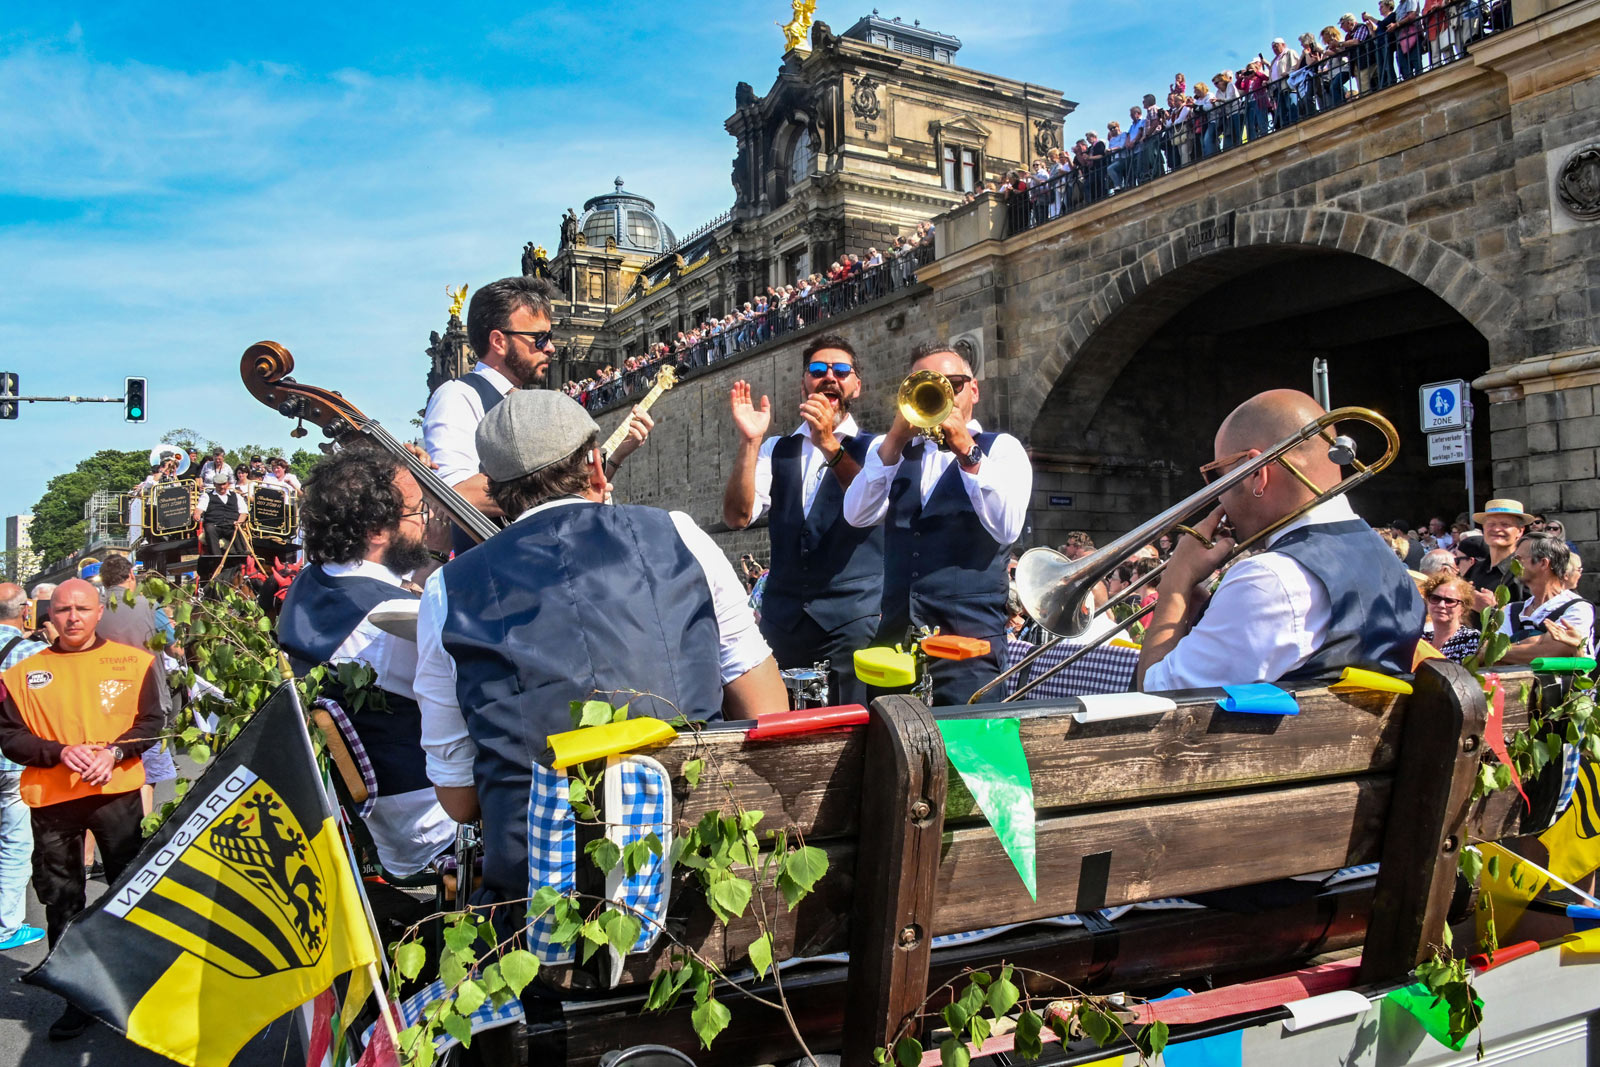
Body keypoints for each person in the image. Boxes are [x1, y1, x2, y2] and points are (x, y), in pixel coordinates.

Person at [414, 391, 784, 911]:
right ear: (594, 464)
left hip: (541, 915)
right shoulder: (682, 535)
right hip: (700, 890)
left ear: (497, 491)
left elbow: (458, 802)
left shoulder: (447, 590)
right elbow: (767, 713)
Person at [1136, 389, 1423, 690]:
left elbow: (1156, 696)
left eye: (1217, 476)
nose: (1217, 493)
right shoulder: (1390, 564)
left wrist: (1175, 585)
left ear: (1257, 473)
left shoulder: (1270, 579)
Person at [277, 447, 459, 877]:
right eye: (418, 512)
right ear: (378, 530)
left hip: (372, 818)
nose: (426, 523)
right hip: (428, 826)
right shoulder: (391, 623)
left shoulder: (311, 583)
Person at [0, 579, 169, 1040]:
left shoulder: (134, 663)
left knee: (131, 893)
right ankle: (76, 995)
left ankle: (138, 988)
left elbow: (153, 722)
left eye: (81, 608)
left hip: (116, 796)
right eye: (62, 609)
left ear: (99, 613)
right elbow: (10, 736)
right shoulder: (20, 674)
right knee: (61, 900)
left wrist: (112, 753)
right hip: (54, 802)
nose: (72, 616)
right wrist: (58, 752)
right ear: (46, 615)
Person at [843, 342, 1033, 704]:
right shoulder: (893, 452)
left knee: (970, 756)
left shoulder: (1002, 449)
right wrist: (895, 439)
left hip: (968, 648)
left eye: (954, 383)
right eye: (927, 384)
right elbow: (856, 514)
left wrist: (967, 451)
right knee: (891, 752)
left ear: (973, 390)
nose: (943, 392)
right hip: (896, 645)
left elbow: (1007, 527)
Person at [421, 275, 653, 552]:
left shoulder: (531, 402)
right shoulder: (457, 396)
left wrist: (612, 459)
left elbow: (573, 493)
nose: (551, 347)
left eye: (550, 337)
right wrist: (561, 487)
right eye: (539, 338)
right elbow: (454, 494)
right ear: (498, 341)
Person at [722, 336, 883, 704]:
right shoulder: (776, 449)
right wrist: (749, 442)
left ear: (856, 385)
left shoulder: (875, 448)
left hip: (850, 626)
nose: (829, 377)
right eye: (817, 370)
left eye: (841, 371)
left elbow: (870, 503)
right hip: (784, 623)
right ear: (803, 384)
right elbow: (737, 516)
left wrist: (828, 441)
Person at [93, 555, 178, 815]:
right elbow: (174, 649)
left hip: (103, 697)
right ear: (131, 576)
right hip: (146, 694)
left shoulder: (93, 609)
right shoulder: (149, 606)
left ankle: (88, 853)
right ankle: (141, 834)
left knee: (101, 769)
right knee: (146, 771)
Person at [0, 584, 46, 953]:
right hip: (15, 759)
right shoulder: (36, 653)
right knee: (15, 843)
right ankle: (6, 925)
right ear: (24, 612)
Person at [1497, 533, 1595, 663]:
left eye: (1519, 559)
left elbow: (1554, 650)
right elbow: (1488, 649)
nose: (1513, 564)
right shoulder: (1511, 610)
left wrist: (1504, 650)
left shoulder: (1577, 608)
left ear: (1543, 563)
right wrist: (1535, 641)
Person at [1463, 498, 1531, 610]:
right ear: (1483, 528)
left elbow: (1530, 618)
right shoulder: (1475, 568)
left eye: (1505, 524)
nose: (1497, 529)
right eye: (1491, 524)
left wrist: (1492, 610)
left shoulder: (1525, 572)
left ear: (1520, 531)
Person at [1420, 571, 1480, 662]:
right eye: (1435, 598)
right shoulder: (1422, 638)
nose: (1441, 605)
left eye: (1450, 601)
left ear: (1463, 608)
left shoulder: (1471, 638)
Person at [193, 474, 247, 556]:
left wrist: (239, 522)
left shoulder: (236, 496)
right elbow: (199, 509)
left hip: (231, 525)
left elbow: (244, 512)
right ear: (214, 484)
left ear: (228, 484)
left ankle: (242, 556)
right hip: (214, 525)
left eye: (224, 484)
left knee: (236, 531)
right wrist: (197, 515)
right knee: (210, 529)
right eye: (219, 484)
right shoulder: (206, 496)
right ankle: (216, 558)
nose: (222, 487)